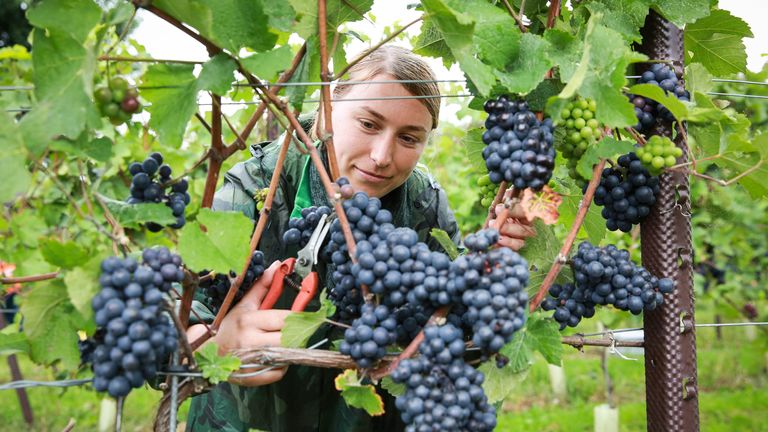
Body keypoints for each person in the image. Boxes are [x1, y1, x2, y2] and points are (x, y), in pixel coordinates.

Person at [184, 45, 536, 431]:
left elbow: (450, 329)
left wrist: (481, 273)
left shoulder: (424, 201)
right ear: (327, 110)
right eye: (369, 124)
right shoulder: (256, 189)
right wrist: (211, 343)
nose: (382, 156)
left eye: (409, 138)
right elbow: (164, 332)